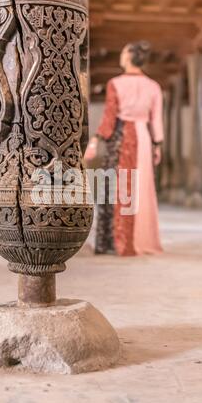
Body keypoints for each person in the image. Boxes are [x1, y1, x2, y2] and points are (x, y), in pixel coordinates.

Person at [85, 41, 164, 256]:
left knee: (113, 188)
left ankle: (111, 242)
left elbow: (109, 118)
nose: (121, 56)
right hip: (144, 140)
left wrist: (95, 140)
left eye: (123, 52)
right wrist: (157, 145)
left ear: (129, 56)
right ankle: (140, 239)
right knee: (142, 188)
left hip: (121, 138)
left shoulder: (115, 84)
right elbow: (156, 120)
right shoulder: (153, 86)